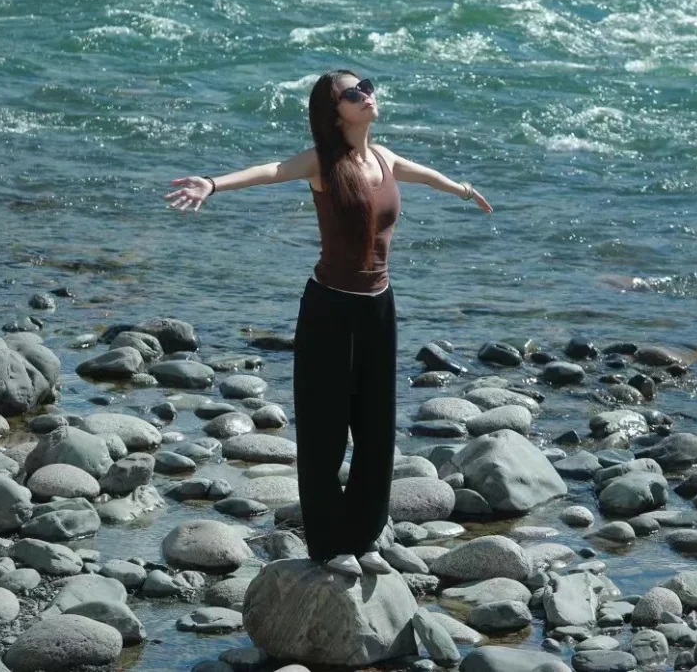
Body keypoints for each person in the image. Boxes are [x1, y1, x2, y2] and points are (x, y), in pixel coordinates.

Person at [166, 71, 492, 579]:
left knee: (376, 428)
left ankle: (364, 539)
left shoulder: (383, 157)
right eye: (352, 93)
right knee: (324, 431)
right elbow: (271, 170)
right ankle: (327, 545)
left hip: (379, 307)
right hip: (329, 309)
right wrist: (212, 183)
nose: (366, 96)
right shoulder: (324, 161)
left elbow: (422, 173)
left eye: (367, 85)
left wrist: (461, 188)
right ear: (333, 110)